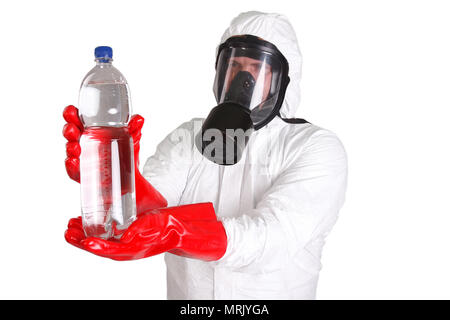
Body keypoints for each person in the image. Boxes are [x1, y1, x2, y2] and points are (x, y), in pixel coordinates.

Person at [62, 11, 348, 299]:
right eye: (234, 64)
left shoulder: (314, 147)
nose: (243, 78)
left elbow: (272, 237)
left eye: (257, 67)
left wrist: (177, 232)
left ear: (283, 79)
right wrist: (120, 176)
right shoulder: (189, 137)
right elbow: (150, 209)